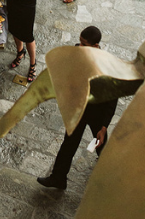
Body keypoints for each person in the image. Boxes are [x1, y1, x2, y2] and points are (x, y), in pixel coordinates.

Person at [36, 25, 118, 190]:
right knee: (69, 144)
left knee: (99, 142)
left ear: (95, 46)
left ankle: (108, 171)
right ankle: (58, 178)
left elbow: (112, 99)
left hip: (97, 113)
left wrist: (104, 126)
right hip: (78, 111)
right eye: (80, 42)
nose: (80, 46)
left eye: (84, 44)